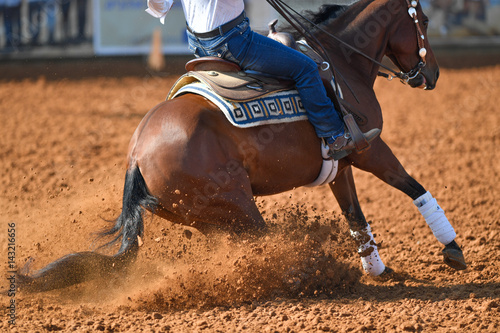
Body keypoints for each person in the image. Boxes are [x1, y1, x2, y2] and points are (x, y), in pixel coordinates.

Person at [146, 0, 380, 160]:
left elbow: (158, 8)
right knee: (305, 68)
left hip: (199, 46)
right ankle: (336, 136)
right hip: (233, 42)